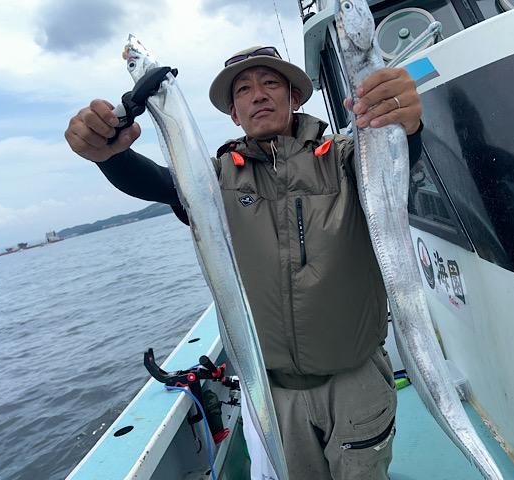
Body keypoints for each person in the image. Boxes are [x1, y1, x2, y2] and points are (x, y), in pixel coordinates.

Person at [65, 45, 422, 479]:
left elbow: (393, 160)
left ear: (294, 97)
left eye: (271, 83)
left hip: (356, 382)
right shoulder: (213, 182)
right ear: (234, 113)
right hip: (271, 394)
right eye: (244, 90)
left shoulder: (345, 158)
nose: (259, 95)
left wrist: (404, 122)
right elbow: (158, 182)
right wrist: (110, 156)